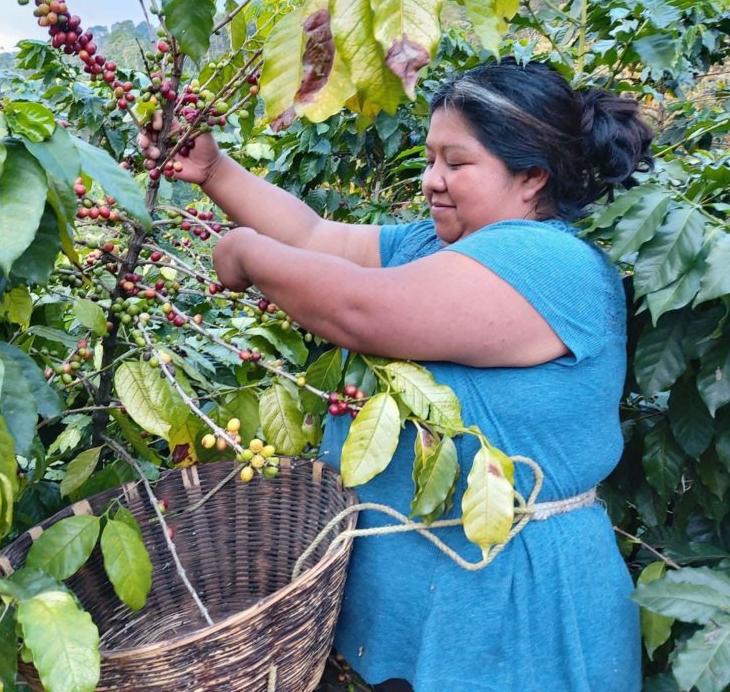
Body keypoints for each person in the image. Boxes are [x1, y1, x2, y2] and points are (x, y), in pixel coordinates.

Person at [148, 57, 653, 691]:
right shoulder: (437, 246)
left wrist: (247, 253)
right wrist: (214, 170)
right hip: (433, 593)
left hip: (512, 608)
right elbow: (312, 235)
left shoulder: (550, 262)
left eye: (457, 163)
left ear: (531, 176)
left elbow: (363, 309)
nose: (432, 180)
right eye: (431, 158)